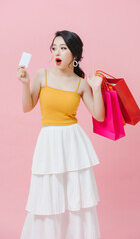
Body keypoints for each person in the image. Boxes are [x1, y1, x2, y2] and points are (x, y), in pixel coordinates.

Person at [17, 30, 105, 239]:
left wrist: (97, 89)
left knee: (76, 196)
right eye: (54, 47)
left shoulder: (80, 83)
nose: (57, 52)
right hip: (49, 141)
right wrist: (25, 84)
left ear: (74, 55)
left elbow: (99, 116)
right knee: (48, 194)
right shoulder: (42, 75)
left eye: (63, 48)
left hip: (73, 143)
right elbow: (27, 107)